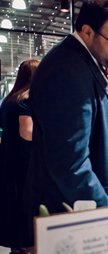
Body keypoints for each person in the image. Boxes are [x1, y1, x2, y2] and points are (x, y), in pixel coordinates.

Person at [22, 0, 108, 247]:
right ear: (87, 32)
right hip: (75, 218)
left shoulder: (85, 62)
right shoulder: (66, 70)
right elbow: (70, 165)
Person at [0, 60, 39, 253]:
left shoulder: (10, 99)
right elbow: (28, 132)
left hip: (9, 160)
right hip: (26, 163)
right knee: (27, 208)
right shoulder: (27, 99)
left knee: (13, 206)